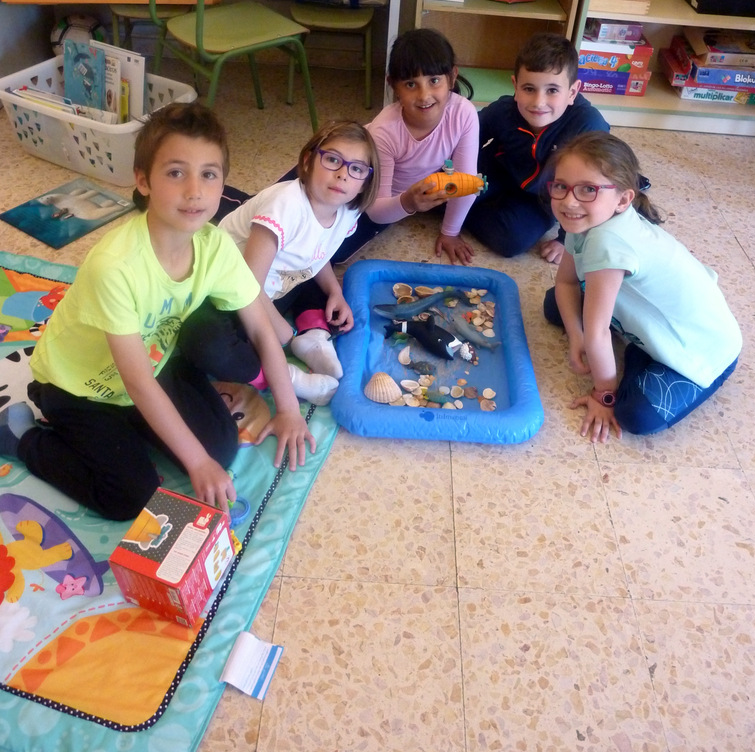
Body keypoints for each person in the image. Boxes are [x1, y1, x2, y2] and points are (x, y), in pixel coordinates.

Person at [0, 102, 315, 522]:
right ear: (143, 180)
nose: (195, 191)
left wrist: (289, 410)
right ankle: (22, 438)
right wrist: (196, 463)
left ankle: (143, 428)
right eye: (176, 173)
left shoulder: (215, 246)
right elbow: (137, 382)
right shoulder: (115, 265)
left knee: (220, 447)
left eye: (209, 174)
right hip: (77, 386)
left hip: (153, 361)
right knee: (130, 495)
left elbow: (260, 330)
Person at [542, 131, 742, 443]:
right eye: (561, 186)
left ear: (623, 199)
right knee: (556, 305)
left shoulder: (607, 243)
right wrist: (576, 336)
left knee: (634, 414)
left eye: (588, 189)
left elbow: (598, 333)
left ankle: (639, 354)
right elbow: (566, 283)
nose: (569, 201)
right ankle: (637, 351)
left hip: (704, 349)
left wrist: (604, 394)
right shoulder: (583, 220)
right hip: (662, 320)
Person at [211, 120, 379, 395]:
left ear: (364, 183)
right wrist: (281, 333)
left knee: (312, 276)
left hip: (273, 287)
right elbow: (248, 283)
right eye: (333, 160)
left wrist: (335, 292)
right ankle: (283, 376)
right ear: (308, 161)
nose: (343, 175)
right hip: (231, 295)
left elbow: (317, 254)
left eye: (357, 169)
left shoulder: (347, 209)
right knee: (212, 343)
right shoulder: (285, 205)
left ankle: (312, 336)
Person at [333, 27, 480, 266]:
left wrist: (450, 232)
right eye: (411, 84)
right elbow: (376, 209)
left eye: (434, 81)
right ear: (394, 85)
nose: (424, 95)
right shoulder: (384, 132)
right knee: (329, 249)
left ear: (452, 77)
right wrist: (408, 203)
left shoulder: (464, 113)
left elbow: (466, 183)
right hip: (362, 174)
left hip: (402, 187)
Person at [463, 32, 609, 264]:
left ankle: (468, 211)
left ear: (572, 92)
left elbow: (591, 188)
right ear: (515, 86)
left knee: (511, 240)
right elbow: (466, 141)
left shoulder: (588, 125)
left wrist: (566, 240)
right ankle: (463, 207)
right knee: (442, 193)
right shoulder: (503, 110)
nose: (538, 102)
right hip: (500, 170)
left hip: (542, 196)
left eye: (552, 90)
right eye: (529, 89)